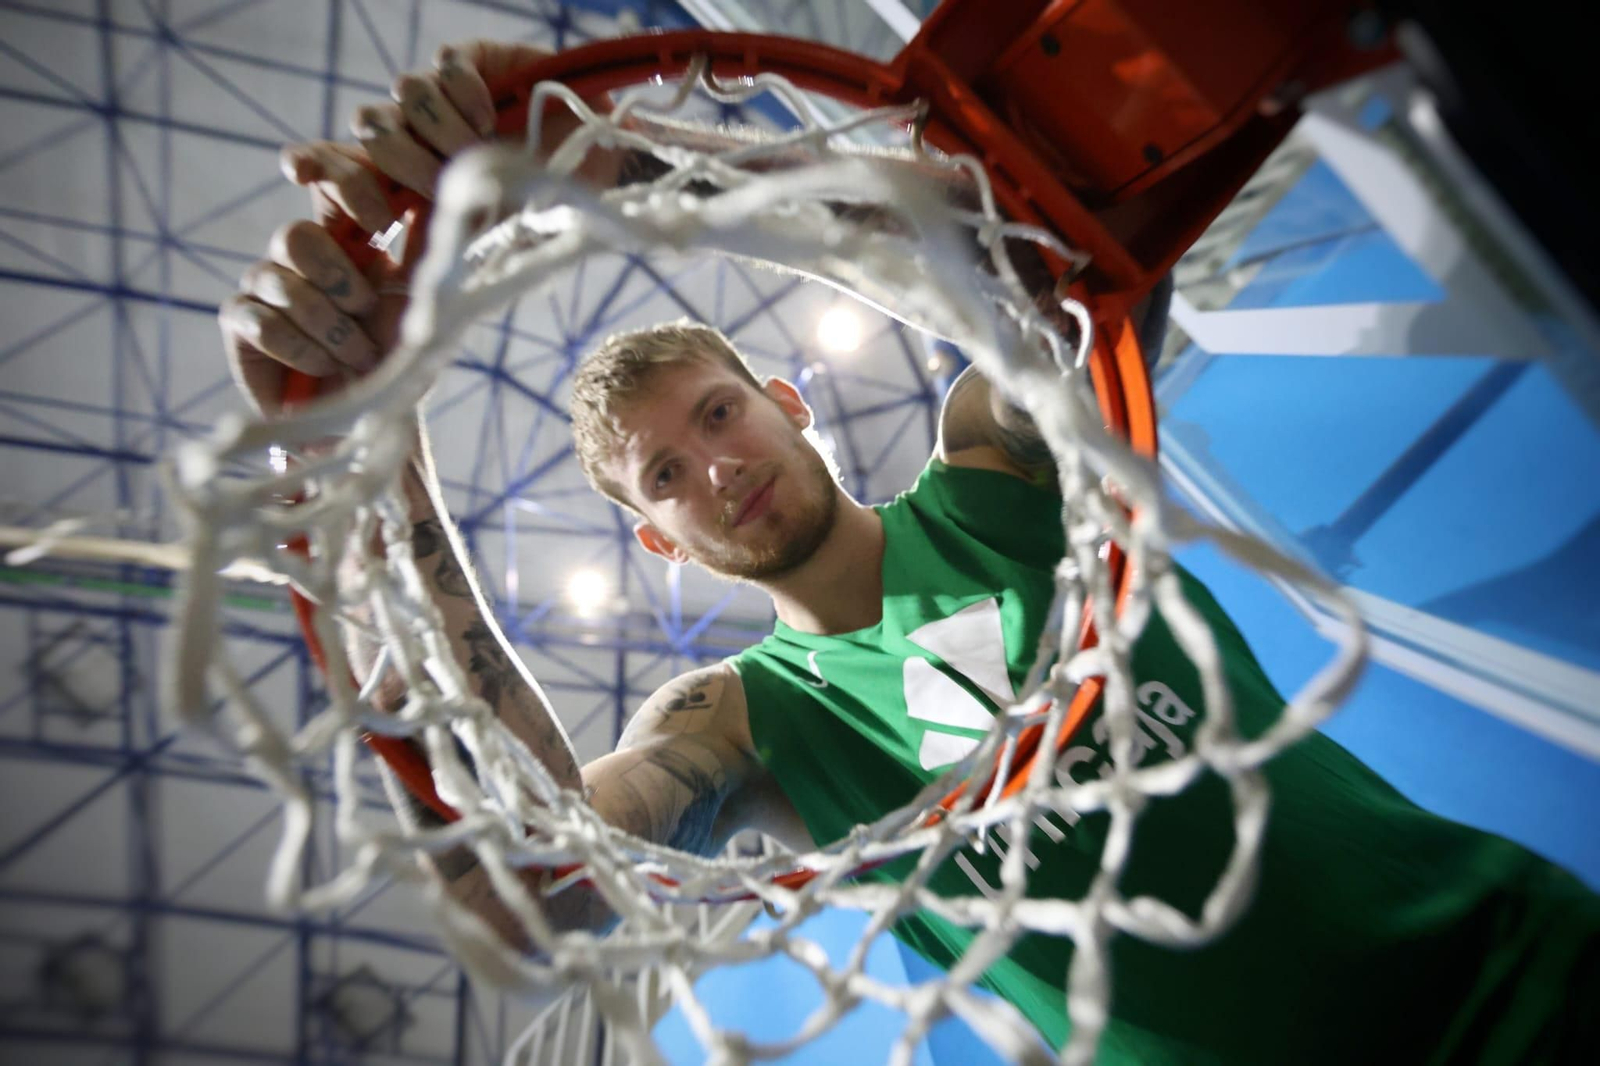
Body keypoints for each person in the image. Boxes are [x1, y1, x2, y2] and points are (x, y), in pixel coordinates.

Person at [219, 40, 1598, 1064]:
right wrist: (368, 471)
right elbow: (531, 882)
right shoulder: (737, 720)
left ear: (789, 401)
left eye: (718, 412)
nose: (716, 466)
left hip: (1522, 954)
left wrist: (616, 160)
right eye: (668, 475)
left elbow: (1041, 258)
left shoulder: (998, 462)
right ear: (658, 534)